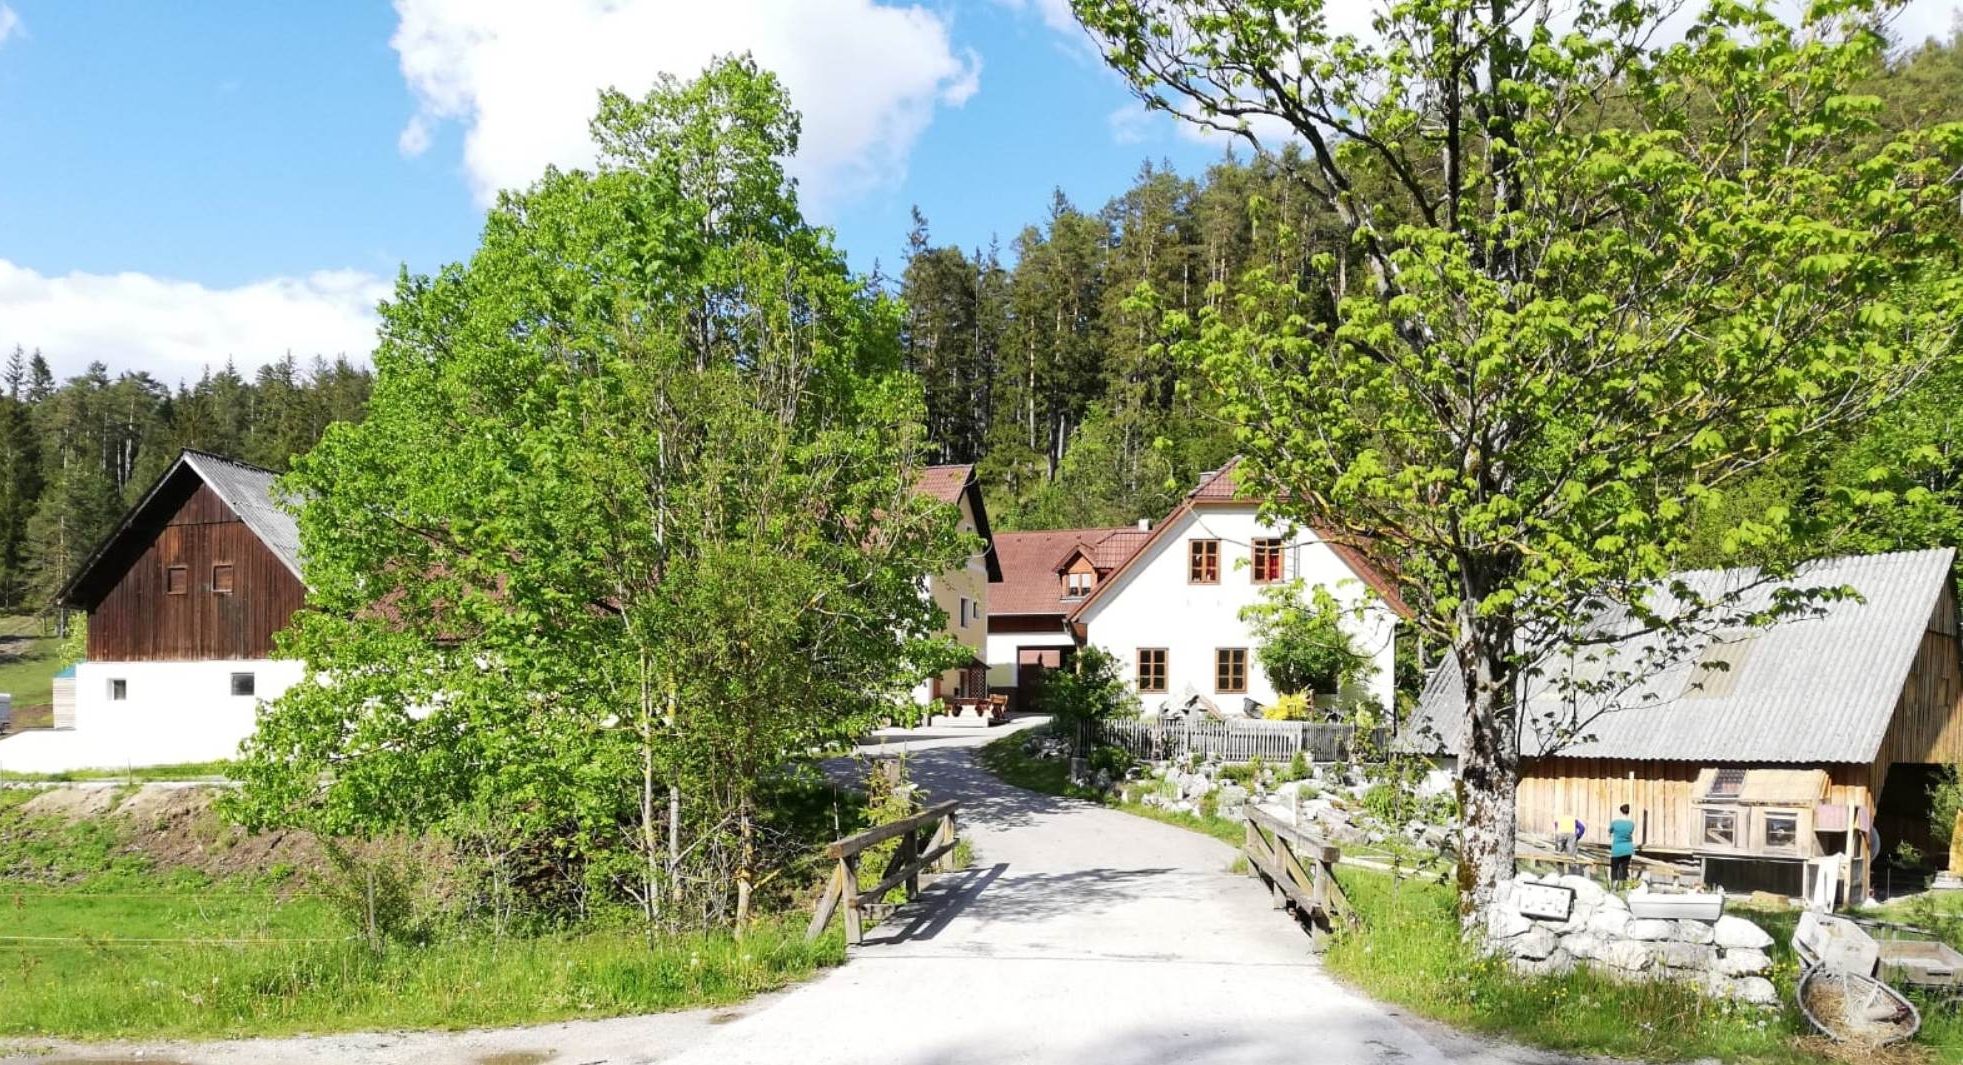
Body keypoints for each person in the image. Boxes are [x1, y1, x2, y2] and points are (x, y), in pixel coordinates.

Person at [1609, 804, 1637, 884]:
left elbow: (1610, 832)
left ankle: (1613, 886)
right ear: (1628, 812)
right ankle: (1623, 886)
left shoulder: (1615, 823)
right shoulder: (1631, 824)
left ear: (1621, 812)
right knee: (1624, 869)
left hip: (1617, 849)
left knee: (1614, 868)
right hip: (1628, 849)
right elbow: (1630, 832)